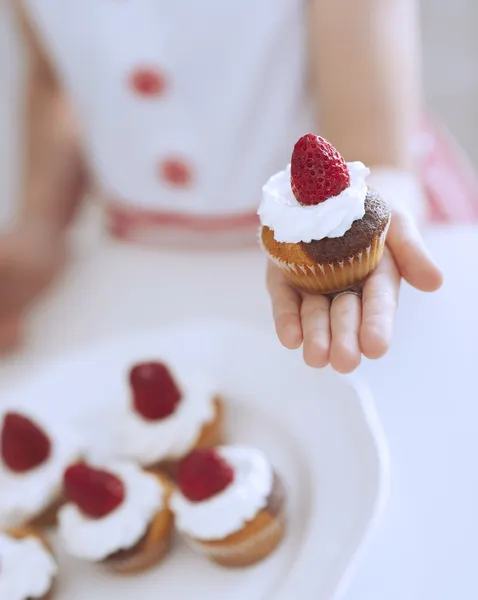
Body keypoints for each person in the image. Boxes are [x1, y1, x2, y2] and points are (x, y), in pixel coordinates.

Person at [0, 0, 443, 371]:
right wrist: (41, 220)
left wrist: (376, 206)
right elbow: (52, 76)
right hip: (138, 257)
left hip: (303, 250)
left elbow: (373, 150)